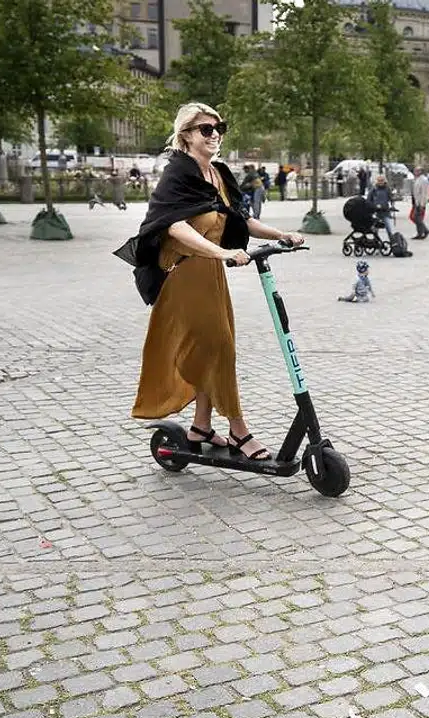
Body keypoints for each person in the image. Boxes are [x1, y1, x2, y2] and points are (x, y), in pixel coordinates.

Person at [129, 102, 306, 461]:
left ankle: (200, 427)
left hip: (209, 274)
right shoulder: (177, 174)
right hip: (183, 272)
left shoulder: (219, 174)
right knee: (218, 347)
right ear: (186, 135)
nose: (215, 135)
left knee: (218, 348)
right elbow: (175, 226)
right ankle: (238, 430)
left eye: (219, 128)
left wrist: (282, 234)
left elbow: (240, 220)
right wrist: (221, 253)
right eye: (206, 129)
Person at [366, 174, 397, 243]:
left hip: (385, 212)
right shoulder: (374, 189)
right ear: (376, 181)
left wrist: (392, 204)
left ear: (384, 181)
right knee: (375, 229)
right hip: (376, 212)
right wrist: (374, 206)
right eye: (379, 180)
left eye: (382, 180)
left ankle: (393, 243)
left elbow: (391, 198)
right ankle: (376, 242)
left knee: (389, 228)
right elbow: (368, 200)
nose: (380, 182)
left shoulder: (387, 189)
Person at [411, 168, 429, 240]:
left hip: (420, 202)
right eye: (415, 170)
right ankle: (422, 232)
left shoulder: (423, 180)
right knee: (415, 217)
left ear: (421, 171)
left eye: (417, 171)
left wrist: (422, 204)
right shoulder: (417, 179)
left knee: (416, 217)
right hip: (416, 201)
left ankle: (423, 231)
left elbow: (424, 193)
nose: (415, 172)